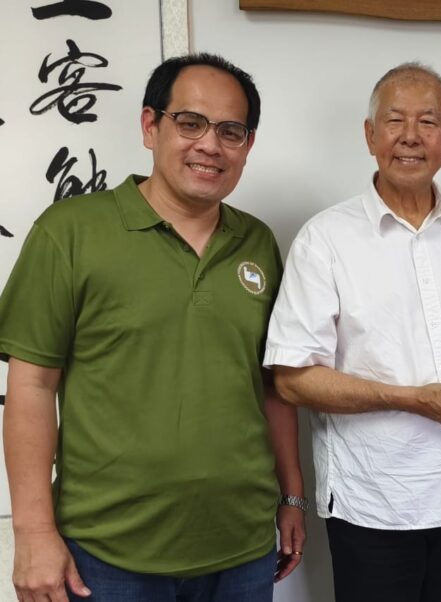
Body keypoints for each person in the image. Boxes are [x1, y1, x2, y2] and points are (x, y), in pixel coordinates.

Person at [0, 53, 305, 602]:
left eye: (230, 132)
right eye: (190, 123)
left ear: (247, 145)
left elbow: (272, 386)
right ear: (150, 126)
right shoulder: (69, 232)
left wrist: (292, 496)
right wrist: (33, 532)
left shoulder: (258, 243)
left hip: (242, 547)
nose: (210, 145)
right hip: (106, 554)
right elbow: (32, 386)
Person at [264, 62, 441, 602]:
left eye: (428, 122)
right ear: (370, 136)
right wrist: (407, 399)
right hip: (375, 504)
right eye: (394, 120)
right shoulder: (325, 240)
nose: (411, 136)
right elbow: (291, 379)